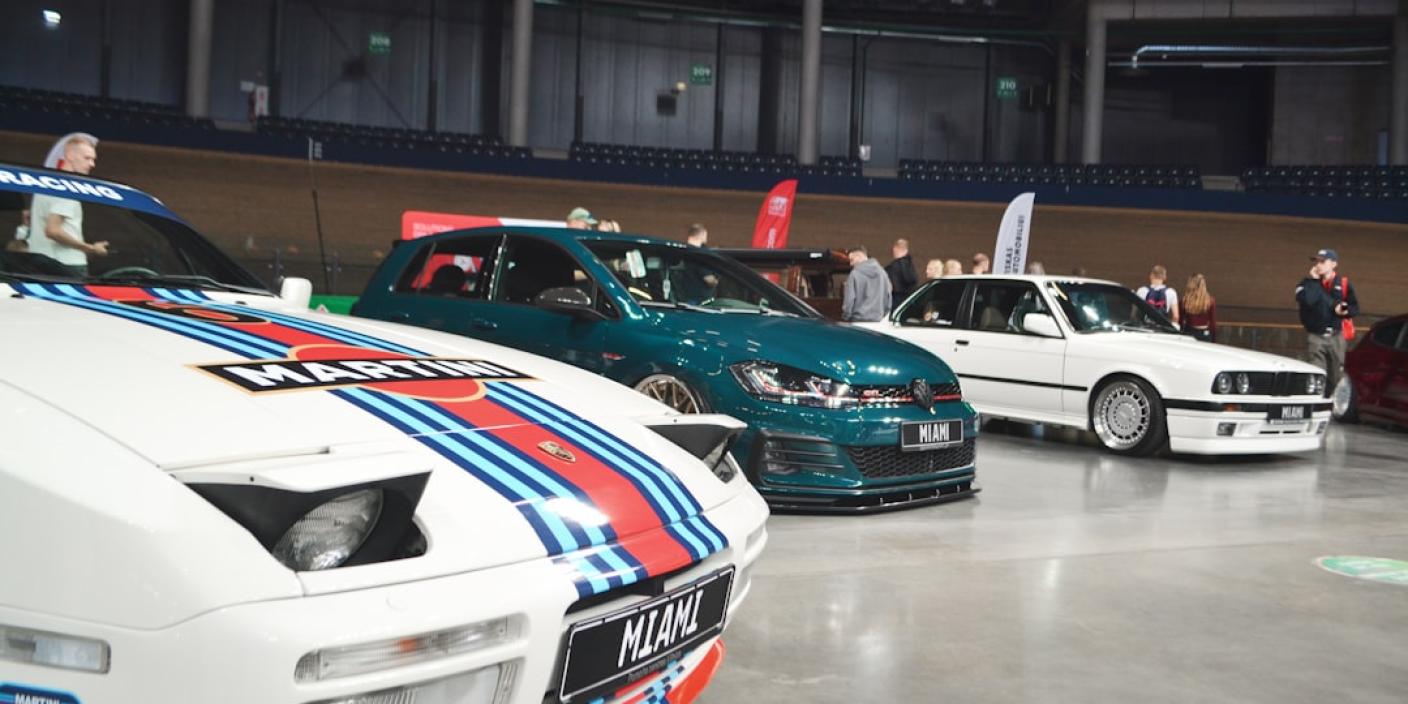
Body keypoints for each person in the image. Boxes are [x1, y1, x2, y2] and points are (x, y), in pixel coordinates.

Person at [28, 133, 107, 275]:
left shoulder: (44, 184)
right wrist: (90, 248)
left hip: (38, 262)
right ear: (70, 156)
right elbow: (53, 230)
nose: (92, 164)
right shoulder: (68, 188)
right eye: (87, 158)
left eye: (93, 159)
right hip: (67, 265)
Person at [1296, 248, 1358, 396]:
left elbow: (1354, 308)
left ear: (1334, 264)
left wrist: (1345, 311)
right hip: (1316, 335)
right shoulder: (1306, 283)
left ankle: (1331, 400)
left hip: (1337, 336)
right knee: (1317, 372)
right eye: (1316, 262)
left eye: (1323, 262)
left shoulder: (1344, 284)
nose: (1318, 265)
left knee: (1336, 375)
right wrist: (1313, 281)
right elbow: (1309, 300)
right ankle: (1318, 401)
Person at [841, 245, 892, 322]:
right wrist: (884, 314)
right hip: (878, 319)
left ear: (859, 256)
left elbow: (849, 299)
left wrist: (846, 316)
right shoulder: (883, 273)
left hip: (858, 319)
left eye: (852, 260)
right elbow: (888, 297)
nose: (850, 264)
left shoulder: (854, 274)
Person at [1180, 274, 1217, 342]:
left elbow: (1181, 321)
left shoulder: (1184, 300)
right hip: (1204, 333)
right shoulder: (1210, 301)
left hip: (1188, 332)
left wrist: (1180, 333)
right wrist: (1213, 339)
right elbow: (1212, 323)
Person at [884, 238, 918, 308]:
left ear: (895, 249)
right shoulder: (910, 264)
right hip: (908, 301)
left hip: (897, 300)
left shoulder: (895, 267)